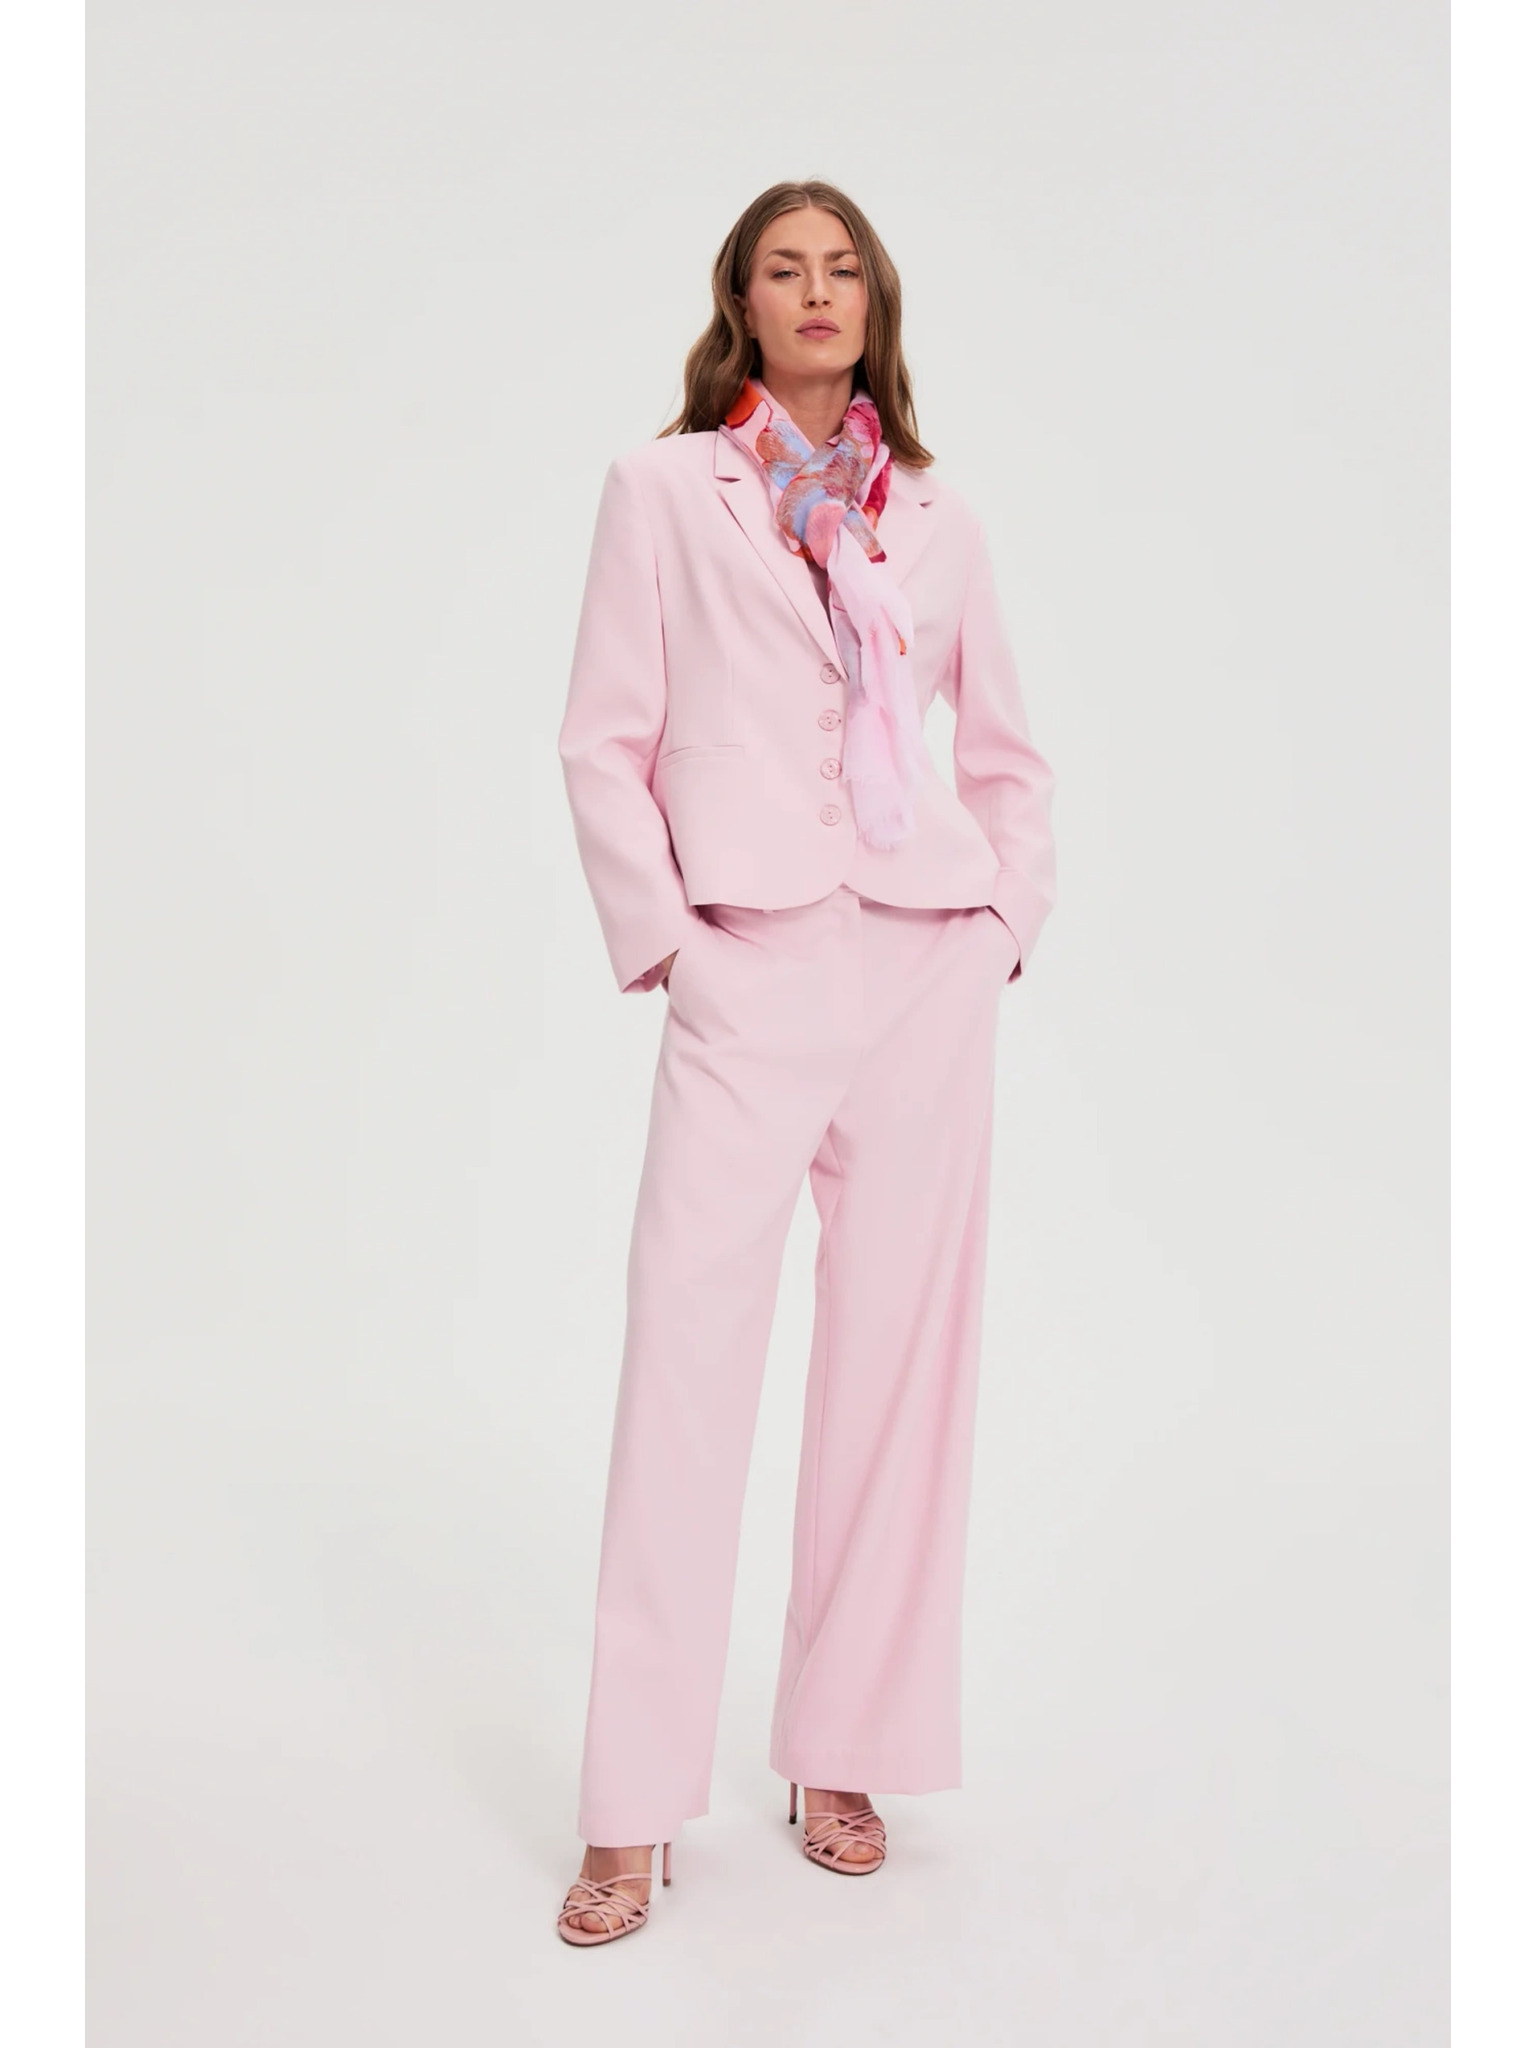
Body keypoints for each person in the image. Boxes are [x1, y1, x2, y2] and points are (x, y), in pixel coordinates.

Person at [552, 178, 1057, 1945]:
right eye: (787, 268)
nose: (819, 291)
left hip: (920, 964)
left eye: (844, 268)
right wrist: (674, 944)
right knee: (687, 1363)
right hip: (748, 957)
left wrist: (996, 928)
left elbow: (1009, 758)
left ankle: (841, 1751)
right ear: (744, 304)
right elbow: (602, 741)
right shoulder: (660, 494)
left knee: (899, 1372)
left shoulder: (939, 518)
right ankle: (631, 1807)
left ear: (875, 303)